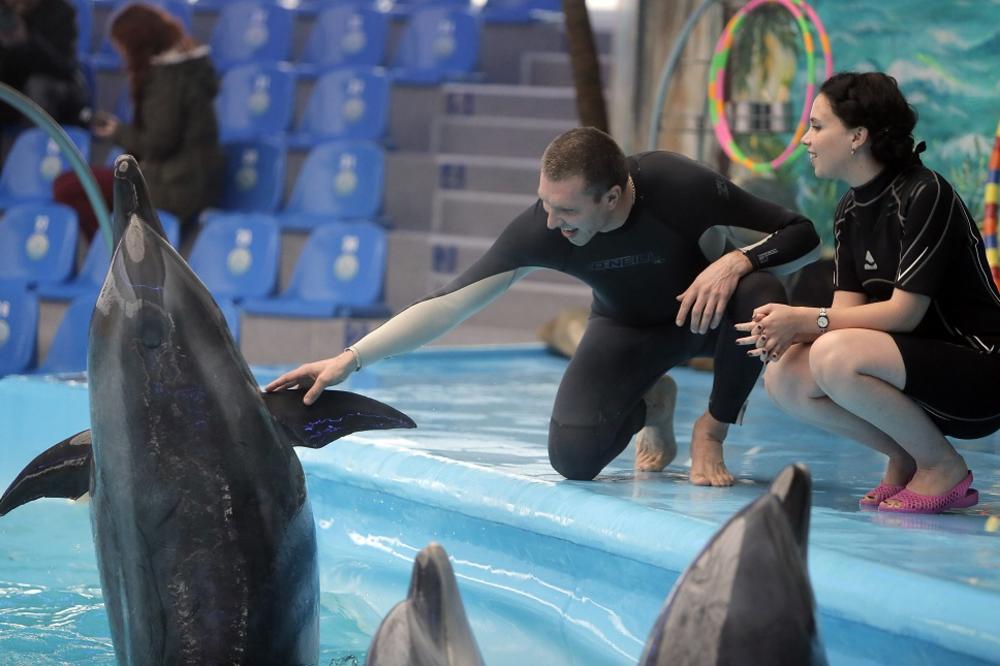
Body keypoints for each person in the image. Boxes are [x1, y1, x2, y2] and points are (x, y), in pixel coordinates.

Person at [267, 127, 820, 485]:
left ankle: (712, 431)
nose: (552, 223)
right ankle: (652, 399)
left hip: (707, 318)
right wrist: (349, 360)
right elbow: (449, 304)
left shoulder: (677, 184)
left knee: (759, 293)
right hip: (627, 330)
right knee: (574, 459)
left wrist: (737, 261)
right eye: (545, 205)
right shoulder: (545, 225)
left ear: (613, 195)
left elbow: (801, 233)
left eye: (567, 211)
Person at [740, 72, 999, 513]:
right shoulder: (849, 211)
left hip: (980, 370)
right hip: (913, 372)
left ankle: (942, 466)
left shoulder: (924, 193)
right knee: (786, 376)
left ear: (858, 135)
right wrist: (785, 331)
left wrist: (805, 320)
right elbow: (846, 314)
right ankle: (907, 454)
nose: (806, 139)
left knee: (833, 354)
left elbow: (904, 314)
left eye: (818, 126)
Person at [53, 2, 222, 242]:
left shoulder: (169, 80)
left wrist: (118, 132)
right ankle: (114, 248)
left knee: (68, 187)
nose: (121, 54)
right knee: (70, 183)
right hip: (179, 179)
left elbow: (158, 144)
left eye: (123, 47)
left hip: (176, 185)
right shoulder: (183, 71)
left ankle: (111, 251)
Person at [0, 0, 87, 127]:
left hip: (53, 94)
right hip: (12, 91)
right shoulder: (5, 11)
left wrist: (27, 42)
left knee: (38, 87)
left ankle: (33, 144)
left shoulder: (61, 12)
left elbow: (63, 67)